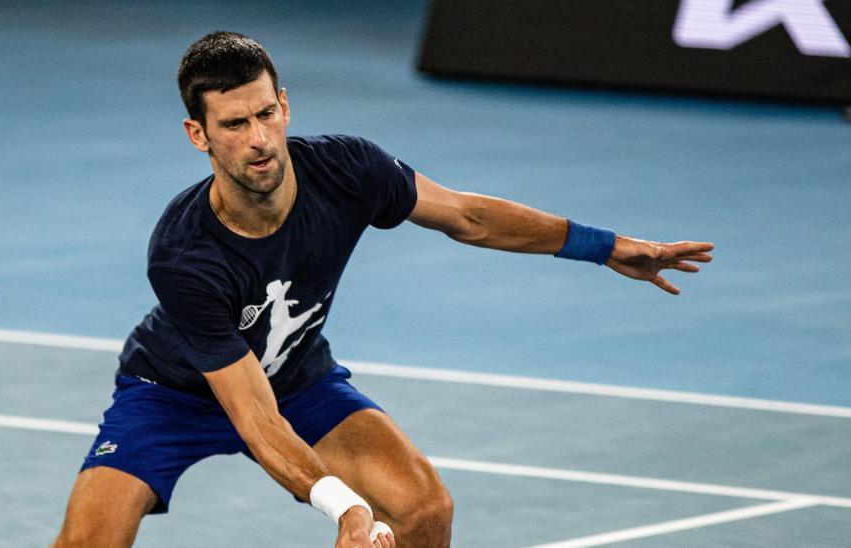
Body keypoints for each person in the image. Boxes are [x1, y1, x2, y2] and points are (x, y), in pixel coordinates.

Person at [53, 31, 714, 548]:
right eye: (234, 125)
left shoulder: (347, 168)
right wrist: (345, 507)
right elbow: (254, 420)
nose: (259, 141)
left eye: (265, 114)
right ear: (198, 134)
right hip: (172, 396)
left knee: (426, 510)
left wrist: (607, 247)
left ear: (284, 105)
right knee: (91, 541)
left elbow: (469, 217)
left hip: (300, 382)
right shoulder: (184, 254)